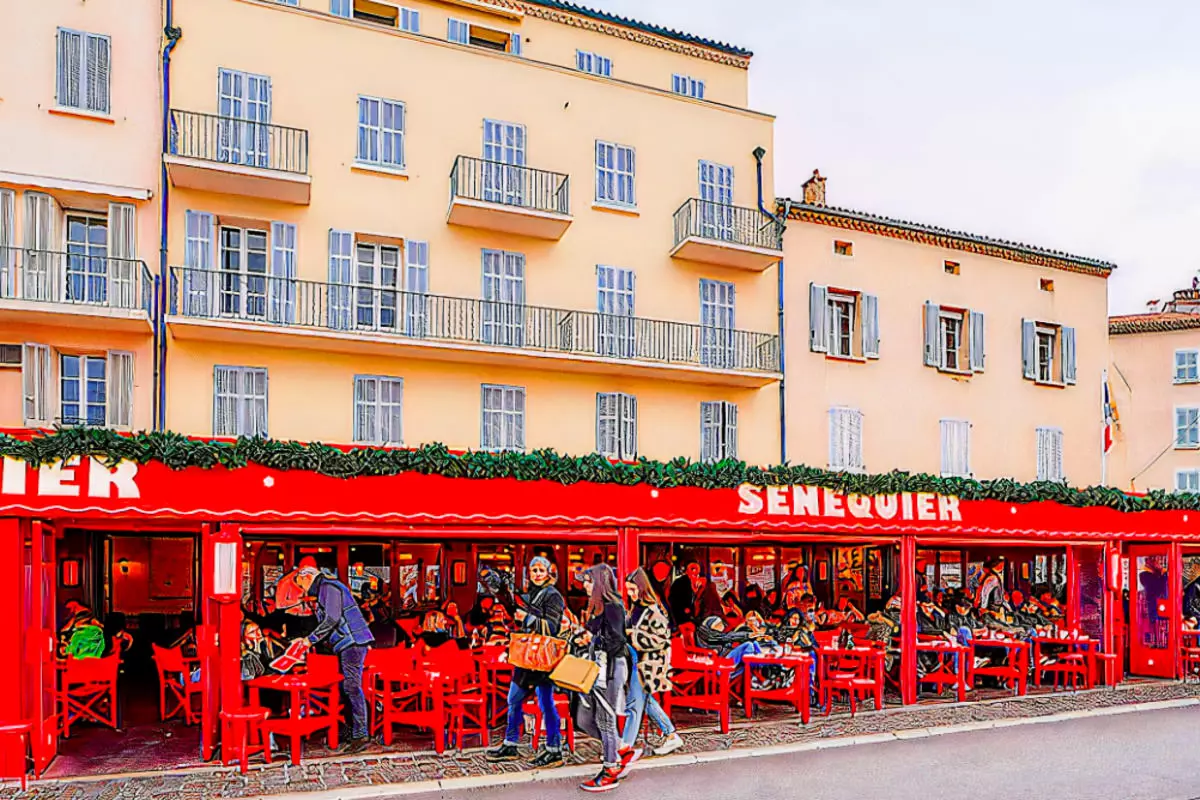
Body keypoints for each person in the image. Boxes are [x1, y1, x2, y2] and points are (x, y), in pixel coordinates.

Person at [486, 556, 567, 768]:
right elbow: (516, 615)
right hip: (526, 656)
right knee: (513, 699)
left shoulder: (553, 595)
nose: (537, 574)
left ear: (548, 573)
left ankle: (554, 750)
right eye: (534, 570)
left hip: (543, 657)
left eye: (541, 570)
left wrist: (527, 618)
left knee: (545, 703)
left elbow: (553, 627)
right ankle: (510, 744)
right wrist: (503, 596)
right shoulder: (530, 593)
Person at [292, 566, 375, 754]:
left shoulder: (328, 587)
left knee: (351, 687)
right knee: (346, 687)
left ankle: (361, 734)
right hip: (348, 642)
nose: (303, 590)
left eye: (301, 585)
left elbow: (332, 619)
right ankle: (351, 729)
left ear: (307, 577)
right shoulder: (326, 587)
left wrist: (310, 640)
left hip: (352, 641)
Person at [575, 563, 631, 793]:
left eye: (588, 581)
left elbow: (617, 641)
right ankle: (619, 749)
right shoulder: (599, 607)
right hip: (600, 668)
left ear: (599, 583)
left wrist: (593, 640)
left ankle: (610, 769)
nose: (585, 586)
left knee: (605, 719)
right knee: (585, 718)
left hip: (610, 669)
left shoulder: (613, 606)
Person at [621, 568, 684, 762]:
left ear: (641, 588)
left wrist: (633, 635)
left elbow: (660, 639)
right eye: (628, 590)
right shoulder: (637, 608)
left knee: (634, 705)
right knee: (646, 702)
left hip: (646, 663)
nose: (630, 594)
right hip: (639, 661)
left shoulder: (652, 610)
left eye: (633, 590)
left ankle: (625, 747)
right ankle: (670, 734)